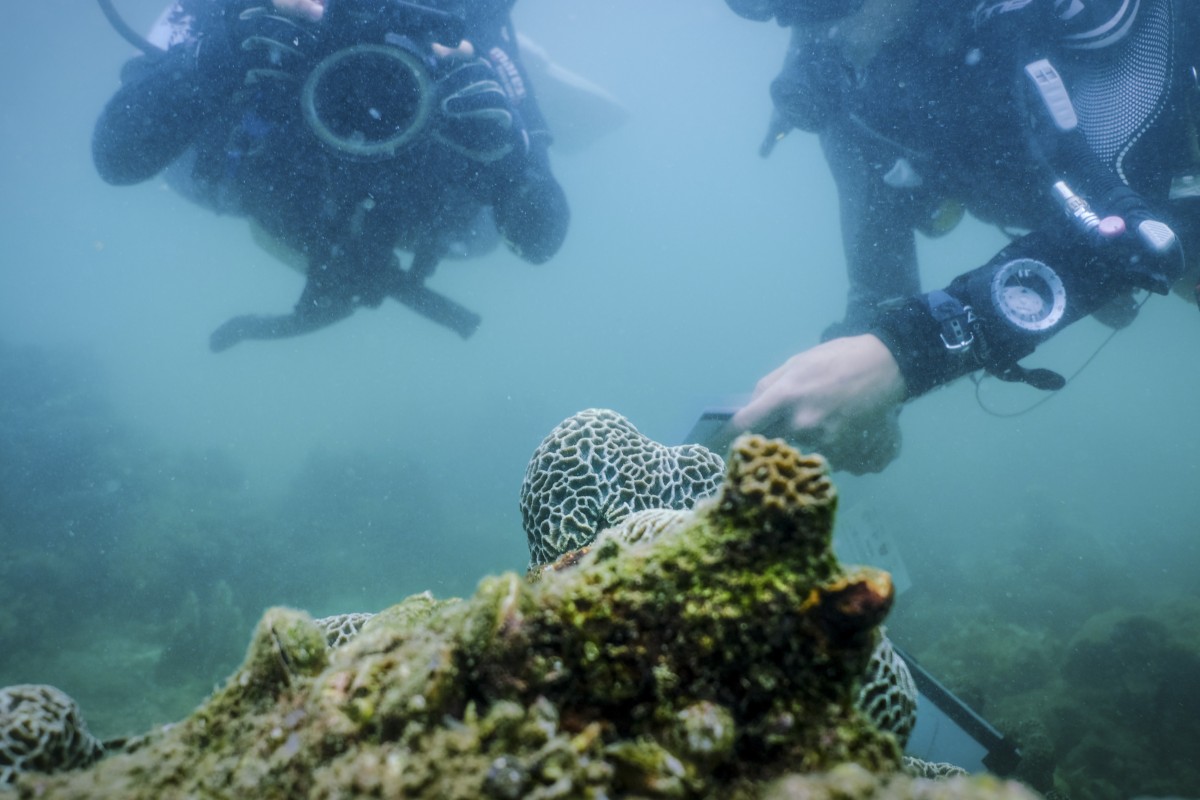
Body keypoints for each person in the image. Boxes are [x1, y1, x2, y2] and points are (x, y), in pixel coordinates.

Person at [720, 0, 1200, 473]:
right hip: (1076, 219)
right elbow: (878, 274)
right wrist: (853, 390)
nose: (810, 24)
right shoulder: (851, 86)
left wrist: (908, 352)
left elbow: (1161, 220)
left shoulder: (1072, 19)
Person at [93, 0, 569, 351]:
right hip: (250, 181)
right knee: (185, 158)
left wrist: (511, 159)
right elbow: (115, 158)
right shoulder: (236, 11)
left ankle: (539, 88)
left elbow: (540, 240)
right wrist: (219, 54)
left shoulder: (461, 25)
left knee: (480, 224)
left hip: (421, 213)